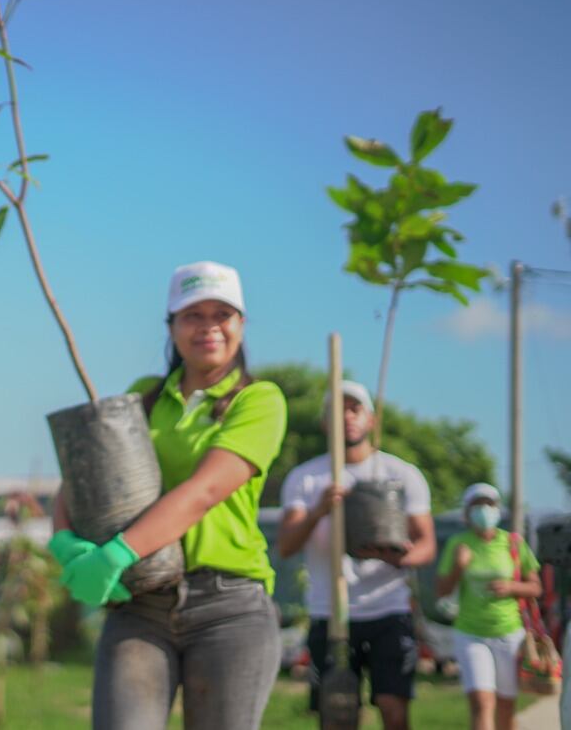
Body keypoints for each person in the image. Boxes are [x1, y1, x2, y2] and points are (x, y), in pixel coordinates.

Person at [49, 261, 287, 730]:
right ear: (172, 325)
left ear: (241, 324)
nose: (208, 327)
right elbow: (86, 473)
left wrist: (117, 551)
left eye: (222, 314)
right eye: (192, 315)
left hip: (229, 607)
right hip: (140, 605)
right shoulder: (145, 397)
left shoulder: (259, 400)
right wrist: (64, 541)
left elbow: (206, 490)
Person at [277, 380, 436, 730]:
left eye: (355, 408)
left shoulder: (400, 475)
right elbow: (286, 545)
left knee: (394, 708)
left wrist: (397, 557)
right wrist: (318, 511)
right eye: (337, 410)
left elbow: (426, 545)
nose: (347, 417)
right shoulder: (305, 479)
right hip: (330, 612)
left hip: (388, 608)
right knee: (336, 714)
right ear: (324, 423)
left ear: (371, 419)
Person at [435, 483, 542, 730]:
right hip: (471, 632)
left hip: (509, 633)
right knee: (482, 703)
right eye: (477, 505)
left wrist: (512, 587)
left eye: (489, 505)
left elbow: (535, 587)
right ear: (467, 512)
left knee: (506, 707)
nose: (483, 510)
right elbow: (441, 591)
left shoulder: (513, 543)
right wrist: (459, 567)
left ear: (497, 509)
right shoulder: (458, 543)